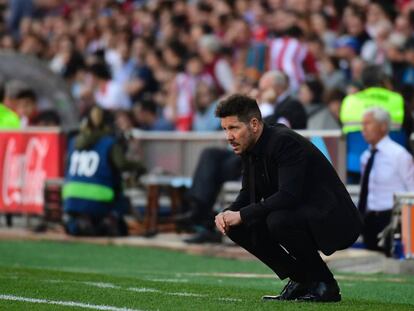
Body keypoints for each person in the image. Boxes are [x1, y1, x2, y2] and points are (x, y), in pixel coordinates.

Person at [214, 94, 362, 302]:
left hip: (335, 219)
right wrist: (227, 214)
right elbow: (248, 193)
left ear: (254, 124)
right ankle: (302, 278)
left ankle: (326, 284)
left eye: (234, 128)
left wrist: (242, 214)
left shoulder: (284, 142)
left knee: (278, 220)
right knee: (237, 225)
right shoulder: (250, 147)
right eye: (225, 129)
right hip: (303, 213)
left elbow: (288, 196)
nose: (229, 136)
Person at [63, 106, 146, 236]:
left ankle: (79, 222)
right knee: (118, 191)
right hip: (99, 198)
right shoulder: (109, 143)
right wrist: (140, 166)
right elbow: (121, 164)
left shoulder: (73, 142)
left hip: (71, 198)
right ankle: (110, 220)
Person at [340, 64, 412, 183]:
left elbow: (342, 130)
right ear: (384, 80)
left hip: (354, 164)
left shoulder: (349, 100)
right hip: (393, 164)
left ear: (362, 81)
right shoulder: (397, 99)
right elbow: (409, 128)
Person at [359, 107, 414, 253]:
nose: (363, 129)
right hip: (369, 218)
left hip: (392, 219)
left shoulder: (399, 155)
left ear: (383, 126)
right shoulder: (365, 156)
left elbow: (412, 189)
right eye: (362, 124)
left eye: (368, 124)